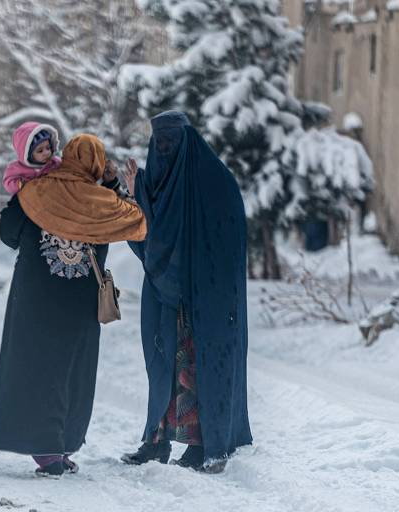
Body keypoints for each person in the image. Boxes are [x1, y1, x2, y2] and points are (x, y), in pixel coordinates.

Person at [0, 134, 146, 477]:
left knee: (35, 367)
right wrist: (114, 184)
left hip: (35, 295)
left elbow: (8, 233)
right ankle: (60, 445)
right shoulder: (104, 201)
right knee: (72, 370)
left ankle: (45, 450)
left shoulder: (36, 189)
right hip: (79, 301)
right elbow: (138, 223)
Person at [121, 111, 252, 473]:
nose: (164, 149)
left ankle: (202, 443)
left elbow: (227, 242)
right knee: (162, 367)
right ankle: (157, 440)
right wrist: (139, 196)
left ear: (187, 139)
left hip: (205, 302)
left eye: (171, 141)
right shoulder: (157, 186)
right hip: (165, 300)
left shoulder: (215, 183)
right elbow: (151, 246)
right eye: (158, 142)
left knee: (197, 370)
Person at [2, 122, 62, 195]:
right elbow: (8, 182)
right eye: (40, 151)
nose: (46, 153)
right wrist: (20, 184)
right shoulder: (17, 168)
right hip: (30, 201)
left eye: (48, 148)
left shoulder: (55, 163)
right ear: (28, 154)